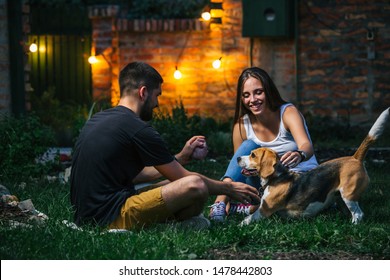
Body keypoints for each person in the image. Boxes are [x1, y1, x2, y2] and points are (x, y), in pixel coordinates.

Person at [70, 62, 259, 231]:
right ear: (143, 92)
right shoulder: (138, 128)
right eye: (157, 95)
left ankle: (162, 223)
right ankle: (165, 226)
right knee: (195, 185)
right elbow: (187, 179)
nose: (157, 104)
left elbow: (135, 176)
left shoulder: (100, 119)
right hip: (109, 216)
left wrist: (182, 157)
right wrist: (229, 189)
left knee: (179, 184)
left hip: (86, 215)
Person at [209, 67, 318, 221]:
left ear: (268, 91)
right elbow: (239, 165)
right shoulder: (241, 125)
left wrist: (300, 154)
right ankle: (219, 204)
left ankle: (252, 208)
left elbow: (307, 145)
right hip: (264, 183)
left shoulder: (287, 112)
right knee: (248, 146)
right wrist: (250, 171)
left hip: (297, 180)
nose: (252, 100)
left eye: (258, 92)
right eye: (246, 95)